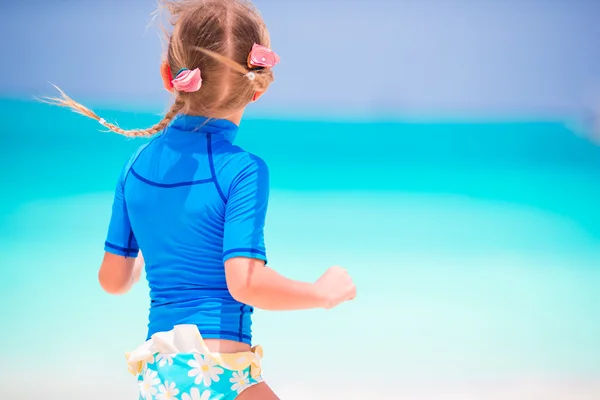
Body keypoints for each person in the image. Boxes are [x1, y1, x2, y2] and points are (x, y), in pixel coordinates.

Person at [44, 0, 356, 398]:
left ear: (167, 76)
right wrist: (321, 292)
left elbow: (113, 280)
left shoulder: (136, 165)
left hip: (158, 377)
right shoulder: (243, 170)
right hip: (221, 371)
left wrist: (150, 251)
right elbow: (243, 283)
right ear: (257, 86)